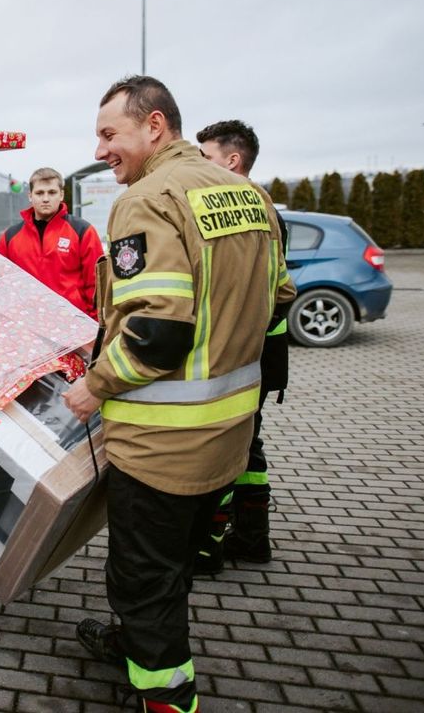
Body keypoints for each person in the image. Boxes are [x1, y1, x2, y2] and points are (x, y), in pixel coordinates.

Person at [62, 76, 295, 712]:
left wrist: (92, 388)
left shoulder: (146, 199)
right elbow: (278, 295)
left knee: (143, 582)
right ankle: (134, 644)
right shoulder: (249, 196)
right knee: (173, 568)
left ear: (155, 125)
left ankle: (167, 696)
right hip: (228, 439)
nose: (100, 150)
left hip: (161, 450)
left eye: (109, 134)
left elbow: (156, 334)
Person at [195, 119, 290, 573]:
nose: (198, 166)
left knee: (224, 450)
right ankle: (252, 537)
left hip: (243, 354)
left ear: (233, 161)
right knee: (249, 445)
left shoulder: (245, 211)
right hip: (263, 354)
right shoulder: (262, 208)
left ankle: (206, 547)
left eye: (206, 157)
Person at [0, 167, 103, 318]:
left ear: (61, 195)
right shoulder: (10, 237)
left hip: (73, 323)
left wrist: (94, 324)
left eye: (52, 192)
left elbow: (96, 284)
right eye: (39, 193)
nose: (45, 199)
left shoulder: (82, 231)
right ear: (30, 196)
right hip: (28, 323)